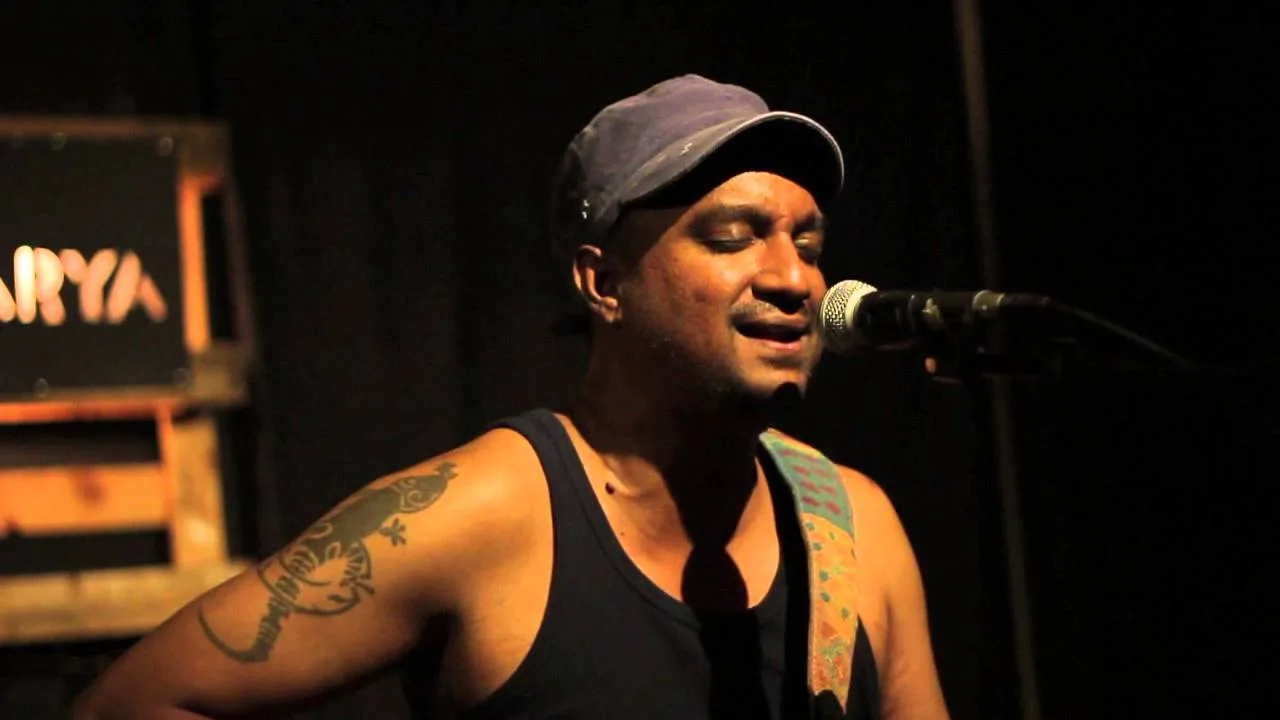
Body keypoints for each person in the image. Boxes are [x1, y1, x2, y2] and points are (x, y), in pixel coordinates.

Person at [72, 74, 949, 720]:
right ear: (603, 282)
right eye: (732, 237)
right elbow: (133, 703)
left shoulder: (853, 528)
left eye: (808, 243)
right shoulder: (480, 513)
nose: (793, 277)